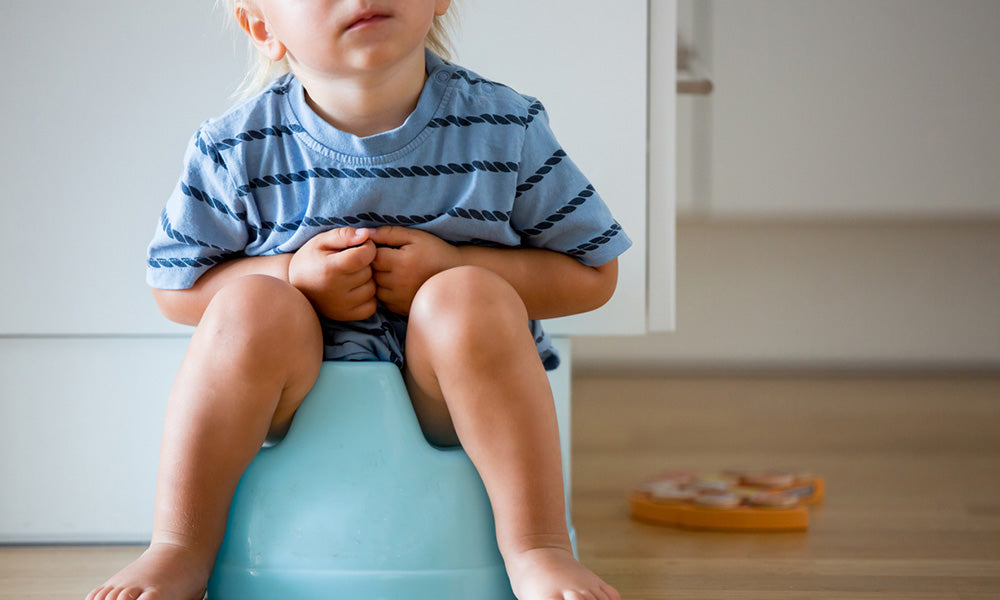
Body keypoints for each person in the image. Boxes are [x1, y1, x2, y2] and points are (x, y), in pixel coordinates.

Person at [87, 1, 630, 599]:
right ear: (263, 27)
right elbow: (176, 286)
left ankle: (538, 549)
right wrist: (293, 275)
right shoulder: (235, 148)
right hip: (292, 396)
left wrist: (455, 266)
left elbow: (592, 272)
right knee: (249, 306)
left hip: (451, 401)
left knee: (465, 297)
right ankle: (178, 549)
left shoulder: (507, 127)